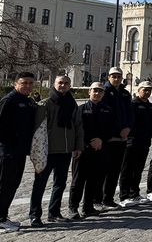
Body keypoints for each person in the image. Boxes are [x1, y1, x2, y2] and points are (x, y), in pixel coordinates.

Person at [29, 75, 82, 226]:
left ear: (70, 85)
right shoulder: (45, 104)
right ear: (54, 84)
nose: (63, 85)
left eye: (66, 83)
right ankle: (34, 215)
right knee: (39, 184)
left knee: (60, 183)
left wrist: (78, 146)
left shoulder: (72, 104)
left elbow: (78, 126)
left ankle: (54, 212)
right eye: (60, 83)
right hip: (47, 151)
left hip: (65, 151)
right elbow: (38, 130)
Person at [68, 82, 113, 220]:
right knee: (78, 180)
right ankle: (73, 208)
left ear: (103, 94)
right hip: (83, 150)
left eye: (100, 91)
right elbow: (76, 129)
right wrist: (88, 142)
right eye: (95, 90)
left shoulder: (107, 110)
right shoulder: (81, 109)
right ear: (89, 92)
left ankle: (88, 207)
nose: (97, 93)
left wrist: (101, 140)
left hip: (100, 149)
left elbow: (110, 128)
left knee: (94, 180)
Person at [0, 72, 38, 232]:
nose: (28, 86)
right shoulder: (9, 101)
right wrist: (11, 142)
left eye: (30, 83)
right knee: (4, 183)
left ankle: (3, 215)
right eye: (24, 83)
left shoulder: (28, 101)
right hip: (8, 151)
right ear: (16, 83)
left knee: (13, 184)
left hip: (20, 151)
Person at [99, 66, 133, 209]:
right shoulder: (104, 92)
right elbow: (104, 115)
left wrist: (127, 128)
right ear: (109, 77)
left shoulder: (125, 94)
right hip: (108, 138)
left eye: (119, 76)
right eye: (114, 76)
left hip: (122, 138)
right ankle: (97, 199)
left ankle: (108, 199)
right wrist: (111, 133)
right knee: (103, 171)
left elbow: (130, 114)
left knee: (115, 170)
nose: (116, 79)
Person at [118, 81, 152, 207]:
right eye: (145, 90)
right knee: (127, 169)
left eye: (149, 90)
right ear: (139, 90)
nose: (147, 92)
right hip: (132, 142)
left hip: (144, 142)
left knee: (138, 169)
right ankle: (124, 195)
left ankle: (135, 193)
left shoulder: (150, 107)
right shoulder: (132, 104)